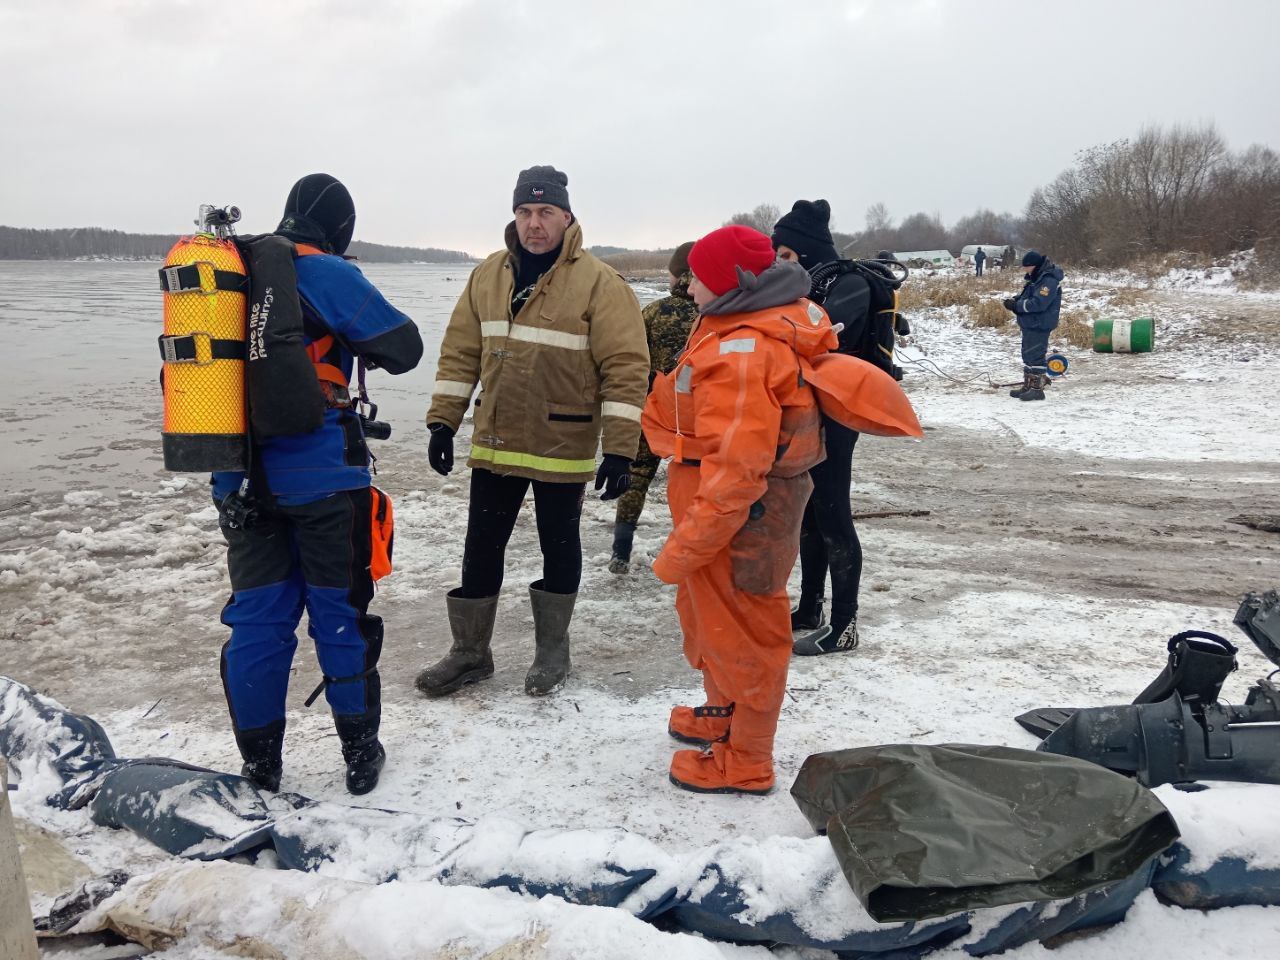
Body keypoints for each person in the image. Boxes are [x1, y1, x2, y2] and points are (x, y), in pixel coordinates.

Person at [216, 173, 423, 796]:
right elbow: (405, 345)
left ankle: (260, 766)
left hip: (239, 476)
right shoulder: (325, 270)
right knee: (338, 613)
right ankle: (360, 755)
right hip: (324, 476)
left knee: (257, 621)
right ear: (340, 228)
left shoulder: (226, 273)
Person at [418, 165, 649, 698]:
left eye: (546, 212)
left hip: (561, 443)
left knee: (558, 544)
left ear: (567, 216)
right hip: (497, 439)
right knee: (481, 545)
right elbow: (460, 354)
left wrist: (619, 450)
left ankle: (551, 653)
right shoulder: (489, 274)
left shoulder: (600, 282)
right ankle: (470, 653)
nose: (534, 223)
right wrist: (441, 422)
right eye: (524, 211)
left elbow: (626, 367)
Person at [643, 224, 832, 795]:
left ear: (729, 283)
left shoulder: (744, 352)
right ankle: (723, 713)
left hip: (738, 516)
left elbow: (738, 472)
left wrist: (687, 546)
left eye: (697, 278)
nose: (688, 287)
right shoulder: (732, 324)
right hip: (716, 501)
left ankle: (747, 760)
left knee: (747, 630)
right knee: (714, 621)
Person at [771, 199, 863, 655]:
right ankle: (811, 607)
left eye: (786, 255)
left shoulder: (846, 285)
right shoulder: (807, 289)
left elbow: (829, 345)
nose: (780, 263)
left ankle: (845, 625)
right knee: (808, 513)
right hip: (808, 413)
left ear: (806, 252)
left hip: (838, 416)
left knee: (832, 513)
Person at [608, 241, 699, 574]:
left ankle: (621, 550)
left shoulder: (654, 312)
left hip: (653, 411)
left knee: (637, 476)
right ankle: (690, 549)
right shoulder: (713, 315)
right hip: (696, 419)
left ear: (677, 276)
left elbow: (633, 359)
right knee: (692, 485)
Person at [1002, 249, 1064, 402]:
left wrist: (1017, 307)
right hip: (1031, 323)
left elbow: (1039, 303)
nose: (1025, 270)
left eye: (1027, 267)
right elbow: (1027, 296)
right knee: (1028, 354)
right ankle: (1028, 385)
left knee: (1036, 355)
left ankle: (1037, 389)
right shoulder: (1036, 278)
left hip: (1040, 323)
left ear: (1034, 265)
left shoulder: (1048, 280)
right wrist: (1014, 301)